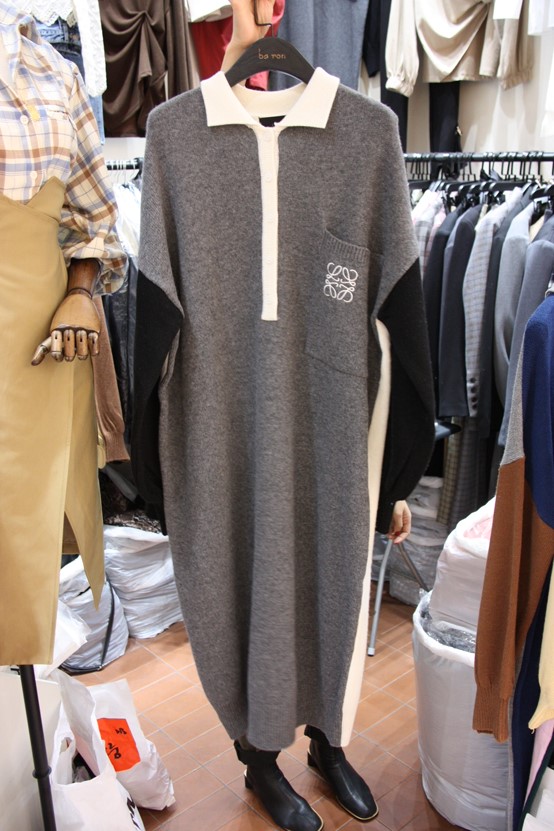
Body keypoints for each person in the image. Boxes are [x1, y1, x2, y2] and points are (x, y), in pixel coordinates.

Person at [133, 2, 431, 830]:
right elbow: (153, 316)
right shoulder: (173, 139)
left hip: (329, 430)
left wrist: (398, 470)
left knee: (332, 577)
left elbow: (401, 314)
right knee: (233, 581)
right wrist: (156, 472)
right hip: (220, 427)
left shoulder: (368, 138)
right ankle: (259, 757)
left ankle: (329, 741)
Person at [0, 1, 126, 668]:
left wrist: (80, 291)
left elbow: (94, 217)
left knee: (21, 546)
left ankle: (19, 711)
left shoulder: (53, 74)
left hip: (36, 351)